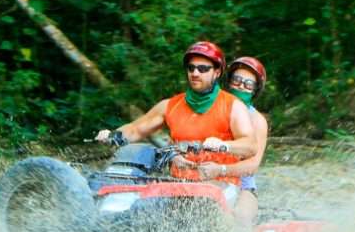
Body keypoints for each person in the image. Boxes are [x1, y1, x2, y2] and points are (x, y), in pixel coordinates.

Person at [95, 42, 258, 185]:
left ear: (217, 72)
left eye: (203, 69)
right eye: (191, 68)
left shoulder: (233, 106)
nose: (195, 73)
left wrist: (224, 146)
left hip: (221, 185)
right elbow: (135, 130)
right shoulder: (170, 105)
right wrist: (112, 135)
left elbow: (250, 146)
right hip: (177, 184)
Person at [196, 56, 268, 226]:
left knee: (241, 216)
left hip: (242, 185)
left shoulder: (258, 121)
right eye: (237, 80)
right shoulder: (208, 108)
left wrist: (221, 170)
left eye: (248, 84)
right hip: (201, 177)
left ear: (255, 90)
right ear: (229, 81)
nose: (241, 86)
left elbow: (252, 166)